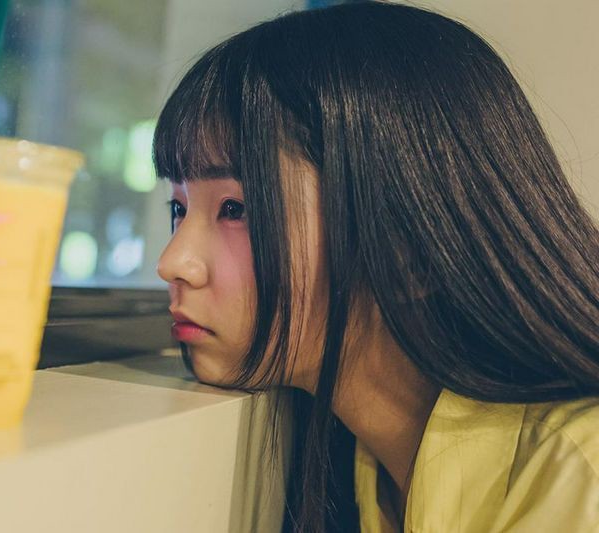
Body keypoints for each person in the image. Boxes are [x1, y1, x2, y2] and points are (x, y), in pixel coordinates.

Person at [153, 2, 599, 532]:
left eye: (236, 209)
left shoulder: (582, 473)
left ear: (410, 250)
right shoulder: (364, 464)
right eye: (179, 209)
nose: (172, 263)